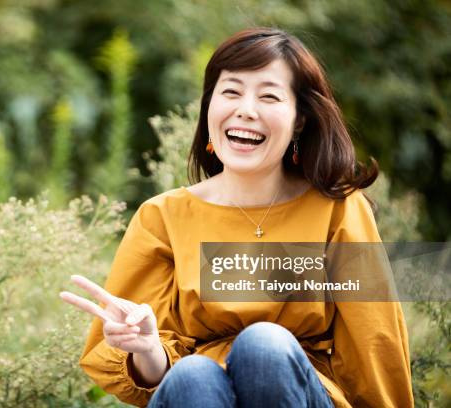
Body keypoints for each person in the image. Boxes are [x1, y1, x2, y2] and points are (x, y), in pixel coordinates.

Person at [60, 27, 413, 407]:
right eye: (231, 91)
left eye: (269, 96)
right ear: (210, 106)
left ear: (299, 120)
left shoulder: (338, 209)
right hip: (198, 395)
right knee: (192, 374)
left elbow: (374, 341)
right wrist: (147, 348)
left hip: (302, 391)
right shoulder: (161, 218)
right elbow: (153, 382)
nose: (246, 109)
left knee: (265, 347)